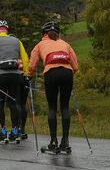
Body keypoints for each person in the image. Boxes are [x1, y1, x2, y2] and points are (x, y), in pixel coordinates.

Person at [28, 21, 79, 153]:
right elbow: (75, 66)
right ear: (58, 33)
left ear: (43, 33)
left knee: (52, 107)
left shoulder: (40, 44)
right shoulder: (66, 44)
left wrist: (29, 75)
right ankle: (65, 142)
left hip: (51, 73)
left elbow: (32, 64)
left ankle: (53, 142)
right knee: (65, 106)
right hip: (67, 73)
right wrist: (69, 72)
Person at [0, 20, 29, 142]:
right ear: (7, 30)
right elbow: (25, 59)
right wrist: (25, 75)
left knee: (0, 103)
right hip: (15, 74)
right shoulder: (17, 40)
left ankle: (3, 132)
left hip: (0, 75)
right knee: (13, 103)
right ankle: (15, 131)